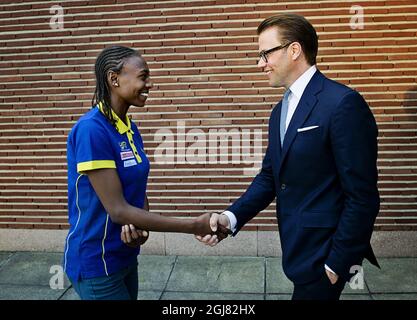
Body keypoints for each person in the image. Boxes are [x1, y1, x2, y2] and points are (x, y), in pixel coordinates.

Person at [196, 13, 380, 300]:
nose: (260, 64)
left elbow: (363, 196)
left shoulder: (343, 104)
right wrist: (230, 218)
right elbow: (270, 177)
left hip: (325, 255)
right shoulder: (279, 111)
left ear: (294, 50)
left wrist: (337, 263)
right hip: (296, 249)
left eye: (265, 54)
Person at [63, 45, 229, 300]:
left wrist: (141, 228)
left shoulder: (129, 127)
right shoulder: (90, 130)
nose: (150, 84)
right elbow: (117, 210)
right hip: (97, 261)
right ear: (114, 78)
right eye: (143, 76)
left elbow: (137, 187)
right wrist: (194, 225)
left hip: (126, 254)